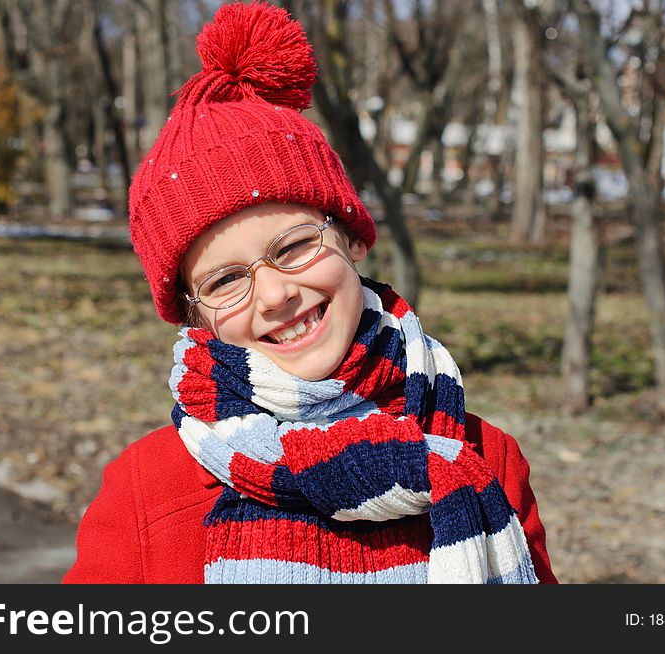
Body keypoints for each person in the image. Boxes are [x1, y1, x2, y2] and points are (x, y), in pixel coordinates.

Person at [62, 1, 556, 584]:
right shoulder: (147, 492)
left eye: (293, 246)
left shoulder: (486, 461)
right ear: (196, 317)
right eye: (224, 280)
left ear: (350, 238)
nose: (273, 294)